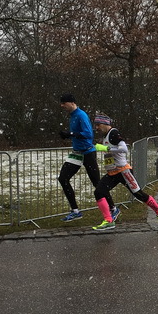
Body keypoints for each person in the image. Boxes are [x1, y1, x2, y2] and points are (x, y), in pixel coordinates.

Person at [90, 114, 158, 232]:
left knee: (139, 195)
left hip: (123, 171)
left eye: (98, 125)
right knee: (99, 192)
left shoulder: (113, 133)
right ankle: (108, 220)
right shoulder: (105, 135)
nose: (96, 128)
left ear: (105, 124)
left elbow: (124, 149)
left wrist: (106, 149)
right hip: (112, 173)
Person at [57, 93, 117, 223]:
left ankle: (113, 208)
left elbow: (88, 134)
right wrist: (68, 135)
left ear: (72, 103)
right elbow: (77, 134)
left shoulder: (81, 115)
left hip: (88, 152)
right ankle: (75, 211)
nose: (62, 105)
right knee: (63, 178)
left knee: (97, 183)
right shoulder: (72, 115)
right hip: (77, 153)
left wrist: (70, 134)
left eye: (64, 103)